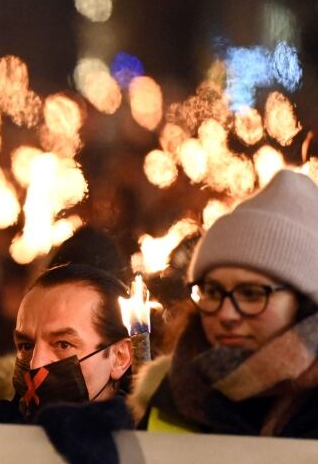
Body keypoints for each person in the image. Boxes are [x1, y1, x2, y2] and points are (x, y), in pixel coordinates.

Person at [130, 170, 318, 438]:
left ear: (306, 305)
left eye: (252, 294)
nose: (226, 314)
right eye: (214, 292)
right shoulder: (168, 393)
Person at [0, 263, 135, 464]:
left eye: (63, 344)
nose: (35, 364)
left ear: (120, 357)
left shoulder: (154, 443)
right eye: (26, 346)